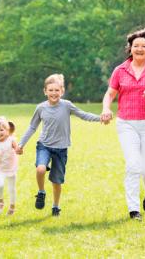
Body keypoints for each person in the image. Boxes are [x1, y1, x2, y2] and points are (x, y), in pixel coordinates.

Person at [100, 27, 145, 221]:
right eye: (136, 46)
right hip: (126, 123)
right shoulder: (120, 70)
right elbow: (110, 94)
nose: (139, 49)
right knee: (133, 166)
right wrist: (106, 109)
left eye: (143, 46)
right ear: (130, 48)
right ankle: (134, 210)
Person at [16, 74, 101, 216]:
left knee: (56, 181)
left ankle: (56, 206)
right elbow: (32, 127)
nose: (54, 93)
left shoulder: (67, 105)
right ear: (45, 91)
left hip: (61, 149)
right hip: (44, 145)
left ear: (62, 91)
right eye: (50, 90)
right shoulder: (41, 108)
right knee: (41, 169)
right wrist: (21, 144)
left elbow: (82, 114)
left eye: (57, 90)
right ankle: (41, 192)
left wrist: (100, 118)